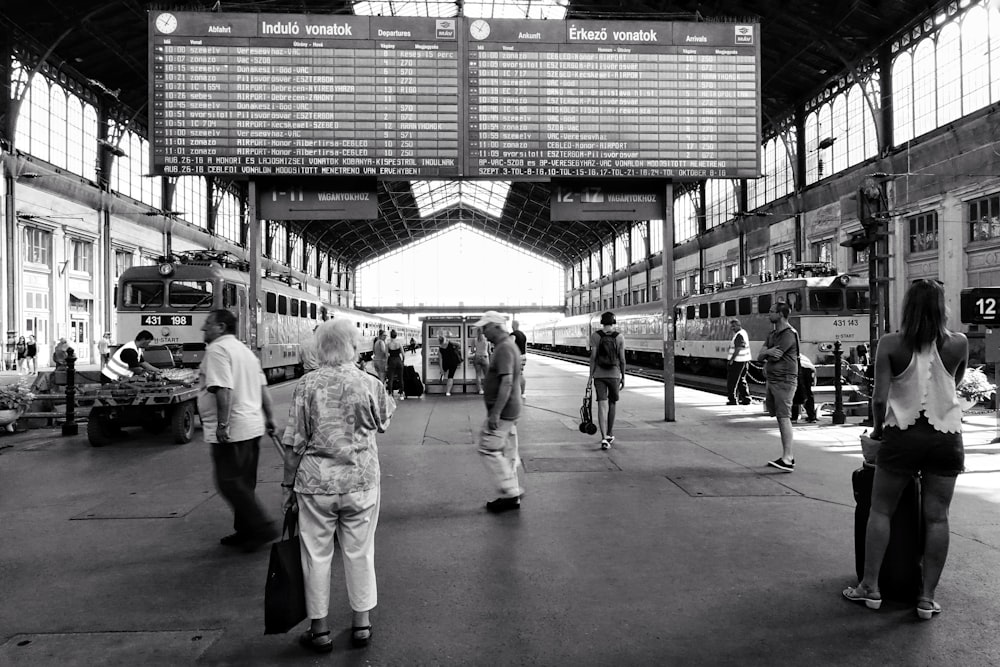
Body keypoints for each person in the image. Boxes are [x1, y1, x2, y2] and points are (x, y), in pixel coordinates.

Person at [843, 279, 967, 620]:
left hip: (903, 437)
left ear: (907, 307)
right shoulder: (959, 343)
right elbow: (953, 384)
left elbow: (880, 397)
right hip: (946, 438)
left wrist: (880, 432)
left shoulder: (891, 343)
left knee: (881, 510)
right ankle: (926, 598)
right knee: (937, 517)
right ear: (942, 307)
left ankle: (870, 588)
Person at [280, 318, 394, 652]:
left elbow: (294, 442)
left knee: (316, 556)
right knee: (360, 552)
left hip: (315, 484)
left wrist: (287, 487)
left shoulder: (307, 385)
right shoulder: (369, 382)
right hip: (360, 481)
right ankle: (361, 625)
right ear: (353, 345)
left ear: (320, 348)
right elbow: (384, 420)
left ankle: (320, 631)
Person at [197, 309, 278, 552]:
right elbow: (263, 388)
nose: (203, 328)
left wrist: (223, 425)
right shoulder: (245, 352)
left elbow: (223, 390)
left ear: (221, 327)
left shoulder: (217, 350)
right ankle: (245, 531)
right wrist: (270, 416)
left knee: (229, 481)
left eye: (207, 324)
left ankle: (262, 528)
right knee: (244, 482)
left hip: (234, 429)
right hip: (251, 426)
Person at [474, 311, 523, 513]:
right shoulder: (508, 346)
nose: (483, 332)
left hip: (504, 411)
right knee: (508, 452)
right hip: (511, 408)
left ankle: (511, 492)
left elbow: (507, 381)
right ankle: (512, 498)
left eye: (486, 328)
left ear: (496, 326)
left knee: (488, 448)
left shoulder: (503, 348)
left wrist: (495, 413)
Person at [758, 302, 799, 472]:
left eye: (771, 311)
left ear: (781, 314)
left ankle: (788, 458)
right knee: (780, 417)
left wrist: (767, 353)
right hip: (774, 380)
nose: (768, 314)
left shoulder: (788, 334)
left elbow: (776, 356)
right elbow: (760, 355)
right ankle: (786, 456)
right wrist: (767, 352)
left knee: (784, 417)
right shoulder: (773, 333)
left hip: (784, 380)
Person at [589, 311, 626, 450]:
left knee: (601, 406)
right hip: (614, 375)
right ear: (613, 322)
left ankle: (604, 438)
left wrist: (590, 375)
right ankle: (610, 433)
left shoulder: (595, 336)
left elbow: (593, 357)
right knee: (612, 404)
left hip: (599, 375)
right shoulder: (619, 337)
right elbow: (622, 359)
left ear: (602, 322)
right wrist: (623, 376)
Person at [725, 319, 752, 405]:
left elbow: (738, 348)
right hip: (744, 360)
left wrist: (732, 359)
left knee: (732, 381)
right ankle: (746, 398)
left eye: (734, 326)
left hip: (737, 361)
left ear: (738, 325)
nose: (732, 328)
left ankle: (732, 399)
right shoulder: (743, 333)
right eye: (731, 326)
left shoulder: (739, 335)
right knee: (741, 380)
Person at [791, 353, 817, 423]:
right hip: (809, 368)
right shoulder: (802, 355)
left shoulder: (788, 353)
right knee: (808, 393)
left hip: (797, 367)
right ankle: (812, 417)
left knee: (794, 391)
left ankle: (794, 417)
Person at [385, 329, 405, 400]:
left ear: (390, 336)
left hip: (391, 361)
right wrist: (403, 361)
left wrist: (386, 364)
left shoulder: (388, 344)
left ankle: (390, 394)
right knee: (400, 378)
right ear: (396, 335)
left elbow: (386, 355)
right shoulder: (399, 343)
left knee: (390, 378)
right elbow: (403, 354)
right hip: (398, 360)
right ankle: (401, 394)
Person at [510, 320, 527, 399]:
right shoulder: (523, 334)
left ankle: (516, 393)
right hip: (523, 356)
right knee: (520, 374)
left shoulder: (513, 335)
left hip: (516, 357)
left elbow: (510, 345)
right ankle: (522, 393)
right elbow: (525, 347)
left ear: (513, 326)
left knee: (515, 375)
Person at [471, 327, 491, 395]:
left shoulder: (475, 339)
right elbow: (489, 351)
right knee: (486, 375)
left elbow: (472, 350)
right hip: (485, 357)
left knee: (478, 374)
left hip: (477, 357)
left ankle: (480, 390)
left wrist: (477, 350)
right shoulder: (487, 339)